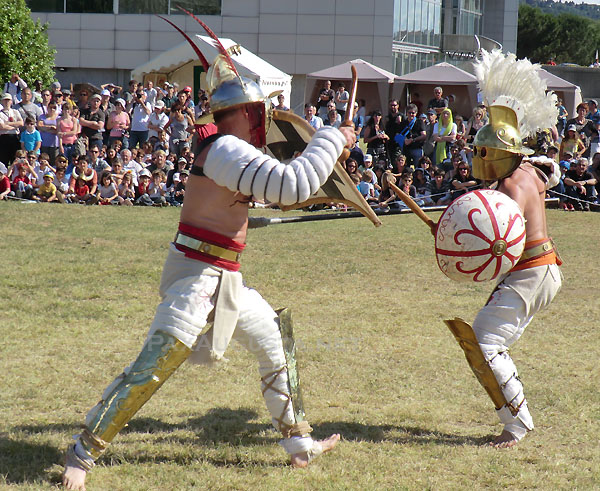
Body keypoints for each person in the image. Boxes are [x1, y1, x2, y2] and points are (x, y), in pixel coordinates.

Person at [62, 24, 354, 488]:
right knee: (154, 365)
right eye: (260, 111)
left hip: (222, 273)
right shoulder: (223, 148)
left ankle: (299, 445)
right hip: (196, 275)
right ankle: (82, 454)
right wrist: (332, 138)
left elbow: (251, 202)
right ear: (243, 112)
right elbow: (292, 185)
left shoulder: (230, 150)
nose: (266, 119)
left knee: (274, 342)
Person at [446, 49, 563, 449]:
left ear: (497, 156)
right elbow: (551, 169)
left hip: (531, 270)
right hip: (539, 270)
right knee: (488, 337)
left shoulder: (511, 186)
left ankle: (516, 425)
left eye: (483, 153)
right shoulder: (529, 171)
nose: (478, 159)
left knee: (485, 339)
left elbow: (496, 241)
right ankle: (515, 421)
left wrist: (454, 238)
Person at [0, 92, 24, 165]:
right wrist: (15, 126)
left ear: (11, 101)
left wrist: (8, 124)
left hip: (15, 137)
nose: (7, 102)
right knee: (3, 160)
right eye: (5, 100)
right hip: (4, 138)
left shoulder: (15, 112)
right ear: (2, 101)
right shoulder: (0, 113)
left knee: (15, 160)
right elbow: (2, 126)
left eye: (8, 100)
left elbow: (21, 123)